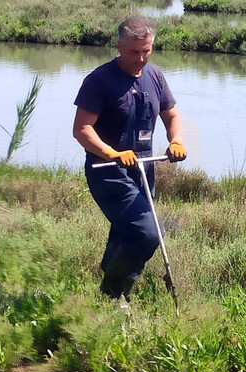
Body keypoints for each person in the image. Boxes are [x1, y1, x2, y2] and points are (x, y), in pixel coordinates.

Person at [73, 16, 187, 300]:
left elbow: (171, 114)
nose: (141, 58)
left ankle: (106, 296)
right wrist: (111, 152)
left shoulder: (155, 76)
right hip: (108, 171)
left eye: (146, 51)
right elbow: (82, 129)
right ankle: (114, 292)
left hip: (143, 169)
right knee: (147, 233)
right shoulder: (99, 80)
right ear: (119, 46)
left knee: (127, 230)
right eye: (135, 52)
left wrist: (176, 140)